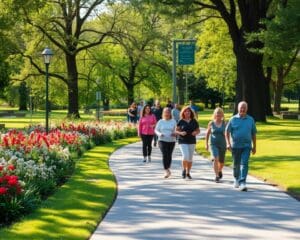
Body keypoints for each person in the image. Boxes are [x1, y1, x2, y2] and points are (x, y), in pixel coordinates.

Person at [225, 101, 257, 191]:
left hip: (247, 146)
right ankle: (236, 179)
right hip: (235, 146)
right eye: (241, 108)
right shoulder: (233, 119)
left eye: (244, 108)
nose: (242, 109)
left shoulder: (250, 120)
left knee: (245, 163)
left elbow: (253, 134)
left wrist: (254, 146)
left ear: (247, 109)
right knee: (236, 164)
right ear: (238, 109)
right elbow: (226, 132)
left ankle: (243, 182)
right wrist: (228, 143)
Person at [176, 106, 200, 179]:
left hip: (192, 141)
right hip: (182, 141)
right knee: (185, 156)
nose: (187, 112)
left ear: (191, 113)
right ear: (183, 112)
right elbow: (176, 131)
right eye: (186, 111)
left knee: (190, 158)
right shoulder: (181, 121)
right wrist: (181, 133)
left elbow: (198, 130)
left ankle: (188, 172)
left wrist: (195, 132)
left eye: (189, 111)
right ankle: (184, 169)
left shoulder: (194, 121)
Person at [205, 107, 226, 183]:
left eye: (220, 113)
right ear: (214, 114)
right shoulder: (211, 123)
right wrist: (206, 144)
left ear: (222, 114)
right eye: (217, 113)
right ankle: (217, 176)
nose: (218, 114)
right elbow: (207, 134)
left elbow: (228, 134)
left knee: (222, 161)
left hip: (223, 144)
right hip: (213, 144)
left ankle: (220, 170)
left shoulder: (224, 123)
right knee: (215, 158)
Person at [155, 107, 177, 178]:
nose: (167, 113)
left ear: (170, 113)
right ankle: (166, 170)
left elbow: (176, 130)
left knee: (169, 155)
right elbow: (156, 130)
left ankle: (168, 167)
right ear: (163, 113)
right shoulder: (160, 121)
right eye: (165, 112)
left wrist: (174, 133)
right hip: (162, 140)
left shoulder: (173, 121)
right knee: (165, 154)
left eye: (168, 112)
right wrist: (159, 134)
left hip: (171, 140)